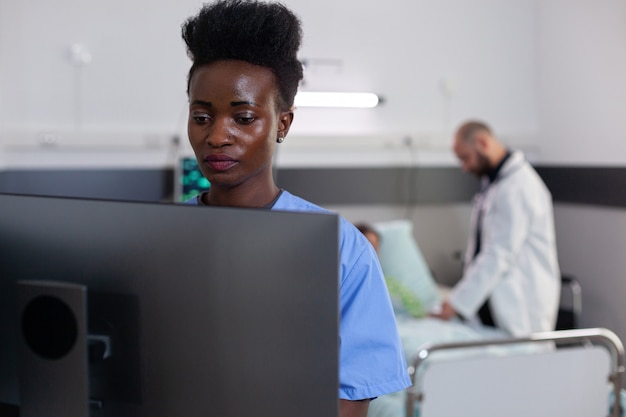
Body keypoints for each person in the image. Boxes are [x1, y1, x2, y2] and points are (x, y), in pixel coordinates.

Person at [179, 1, 411, 416]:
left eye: (243, 118)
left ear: (282, 124)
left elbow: (351, 401)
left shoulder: (342, 250)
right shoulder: (160, 235)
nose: (217, 136)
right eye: (201, 116)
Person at [430, 120, 561, 337]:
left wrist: (456, 302)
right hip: (499, 304)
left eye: (465, 158)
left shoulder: (519, 186)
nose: (464, 167)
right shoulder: (497, 183)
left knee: (529, 362)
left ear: (482, 143)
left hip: (522, 304)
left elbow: (498, 254)